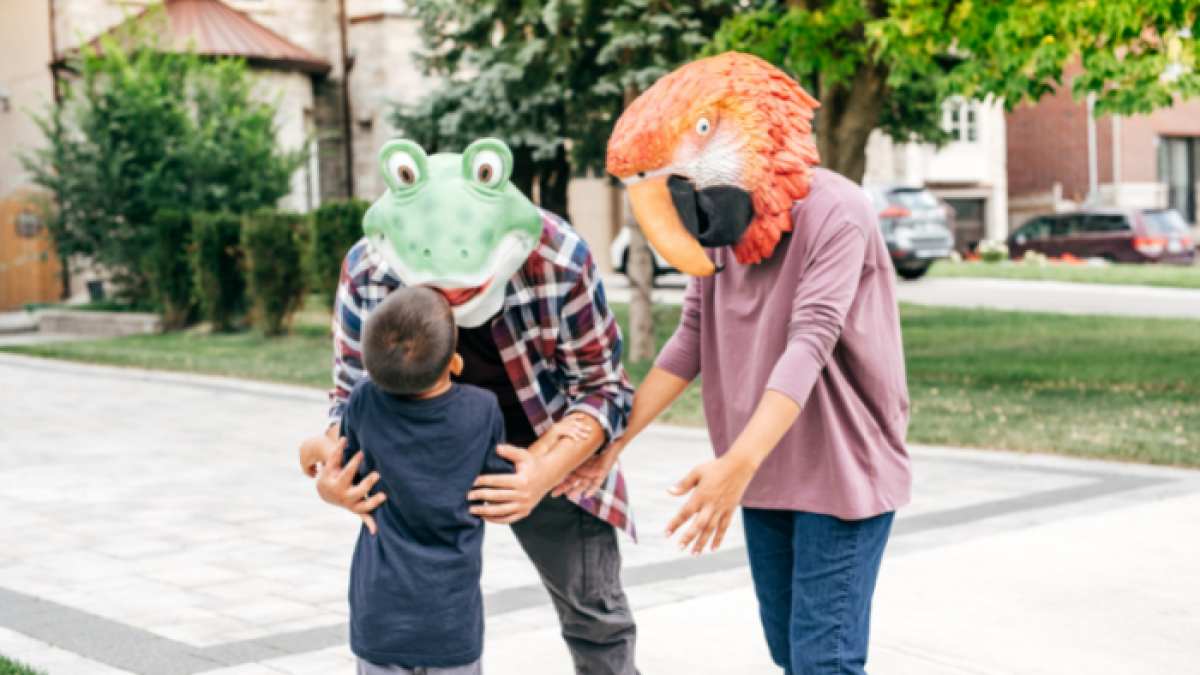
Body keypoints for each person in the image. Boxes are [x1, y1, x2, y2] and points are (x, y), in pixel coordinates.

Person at [574, 53, 914, 674]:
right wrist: (614, 441)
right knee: (791, 655)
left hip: (841, 471)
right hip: (763, 470)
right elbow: (692, 340)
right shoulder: (722, 229)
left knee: (823, 663)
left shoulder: (837, 210)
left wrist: (736, 464)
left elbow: (810, 338)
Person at [300, 139, 639, 675]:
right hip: (414, 454)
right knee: (412, 622)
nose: (451, 299)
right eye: (435, 290)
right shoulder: (371, 266)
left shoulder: (556, 257)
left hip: (544, 440)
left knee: (593, 612)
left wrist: (544, 470)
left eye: (465, 290)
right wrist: (333, 476)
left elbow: (604, 387)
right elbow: (349, 393)